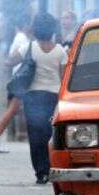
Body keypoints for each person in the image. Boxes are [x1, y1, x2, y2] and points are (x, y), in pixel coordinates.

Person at [22, 12, 68, 184]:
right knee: (52, 134)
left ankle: (41, 172)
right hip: (53, 98)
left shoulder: (29, 48)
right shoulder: (60, 51)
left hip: (33, 96)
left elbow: (10, 61)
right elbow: (63, 78)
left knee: (35, 136)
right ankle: (52, 168)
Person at [0, 14, 31, 154]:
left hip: (18, 78)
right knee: (13, 109)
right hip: (21, 79)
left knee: (14, 109)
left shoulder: (18, 37)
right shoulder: (22, 38)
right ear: (25, 25)